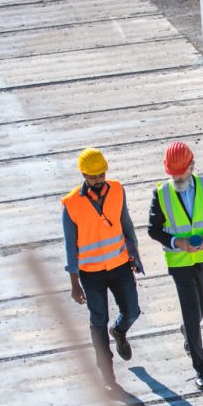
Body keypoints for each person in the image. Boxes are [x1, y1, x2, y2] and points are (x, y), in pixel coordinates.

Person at [62, 147, 144, 391]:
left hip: (120, 266)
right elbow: (70, 245)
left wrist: (135, 256)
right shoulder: (71, 204)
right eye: (93, 176)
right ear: (83, 175)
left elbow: (126, 225)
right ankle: (107, 375)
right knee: (98, 321)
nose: (98, 180)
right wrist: (74, 283)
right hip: (91, 274)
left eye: (102, 174)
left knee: (132, 311)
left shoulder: (117, 190)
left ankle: (119, 331)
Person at [148, 141, 203, 390]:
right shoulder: (161, 193)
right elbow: (153, 229)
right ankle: (200, 369)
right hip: (179, 263)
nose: (177, 178)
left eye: (181, 173)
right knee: (191, 313)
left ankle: (187, 330)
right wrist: (176, 242)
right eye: (173, 174)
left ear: (192, 166)